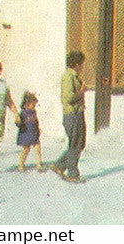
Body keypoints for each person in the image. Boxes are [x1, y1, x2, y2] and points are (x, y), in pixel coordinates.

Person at [50, 51, 87, 183]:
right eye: (81, 63)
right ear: (76, 64)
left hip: (78, 113)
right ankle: (72, 173)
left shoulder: (75, 76)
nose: (83, 66)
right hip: (72, 114)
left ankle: (59, 165)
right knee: (75, 144)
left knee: (79, 143)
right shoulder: (68, 76)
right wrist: (81, 91)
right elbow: (69, 97)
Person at [15, 91, 43, 171]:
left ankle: (38, 164)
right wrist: (18, 121)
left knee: (37, 148)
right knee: (26, 150)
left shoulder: (33, 112)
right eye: (33, 105)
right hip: (25, 133)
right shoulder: (23, 113)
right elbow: (18, 123)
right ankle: (21, 164)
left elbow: (36, 121)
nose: (34, 107)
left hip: (34, 133)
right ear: (27, 104)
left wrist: (38, 129)